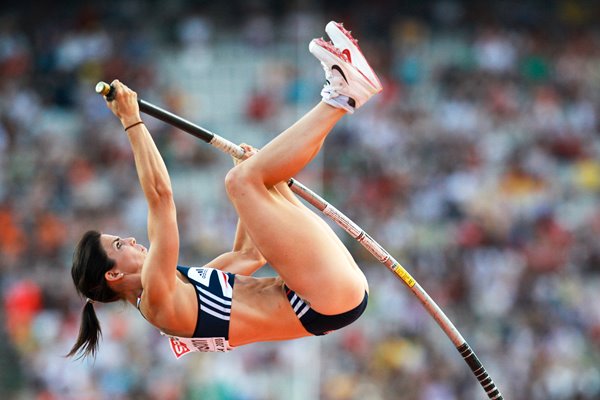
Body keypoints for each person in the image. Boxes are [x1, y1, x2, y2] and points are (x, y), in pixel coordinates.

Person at [68, 21, 382, 359]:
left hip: (328, 296)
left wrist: (244, 169)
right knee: (241, 183)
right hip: (322, 299)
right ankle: (343, 95)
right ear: (113, 273)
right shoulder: (157, 302)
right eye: (118, 244)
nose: (130, 239)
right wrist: (131, 121)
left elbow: (251, 255)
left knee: (252, 174)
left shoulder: (185, 286)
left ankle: (341, 91)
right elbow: (161, 198)